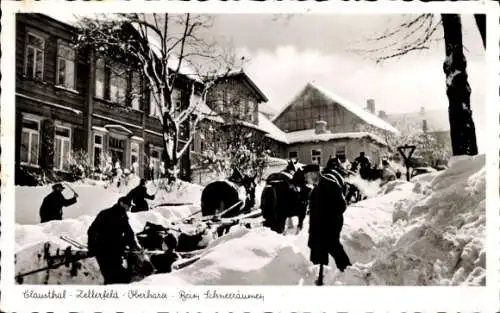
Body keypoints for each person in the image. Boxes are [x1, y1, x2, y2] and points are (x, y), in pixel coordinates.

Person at [308, 165, 352, 285]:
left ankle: (349, 271)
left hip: (330, 226)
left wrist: (328, 218)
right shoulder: (315, 188)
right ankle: (321, 277)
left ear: (314, 174)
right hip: (318, 227)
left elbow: (341, 206)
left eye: (307, 175)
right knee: (319, 250)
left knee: (334, 247)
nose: (306, 178)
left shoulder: (330, 185)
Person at [87, 196, 143, 285]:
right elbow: (92, 231)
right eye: (128, 205)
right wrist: (92, 248)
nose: (130, 207)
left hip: (115, 251)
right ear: (121, 203)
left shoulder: (122, 215)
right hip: (104, 251)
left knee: (116, 278)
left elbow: (129, 233)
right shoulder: (105, 214)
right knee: (116, 278)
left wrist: (134, 246)